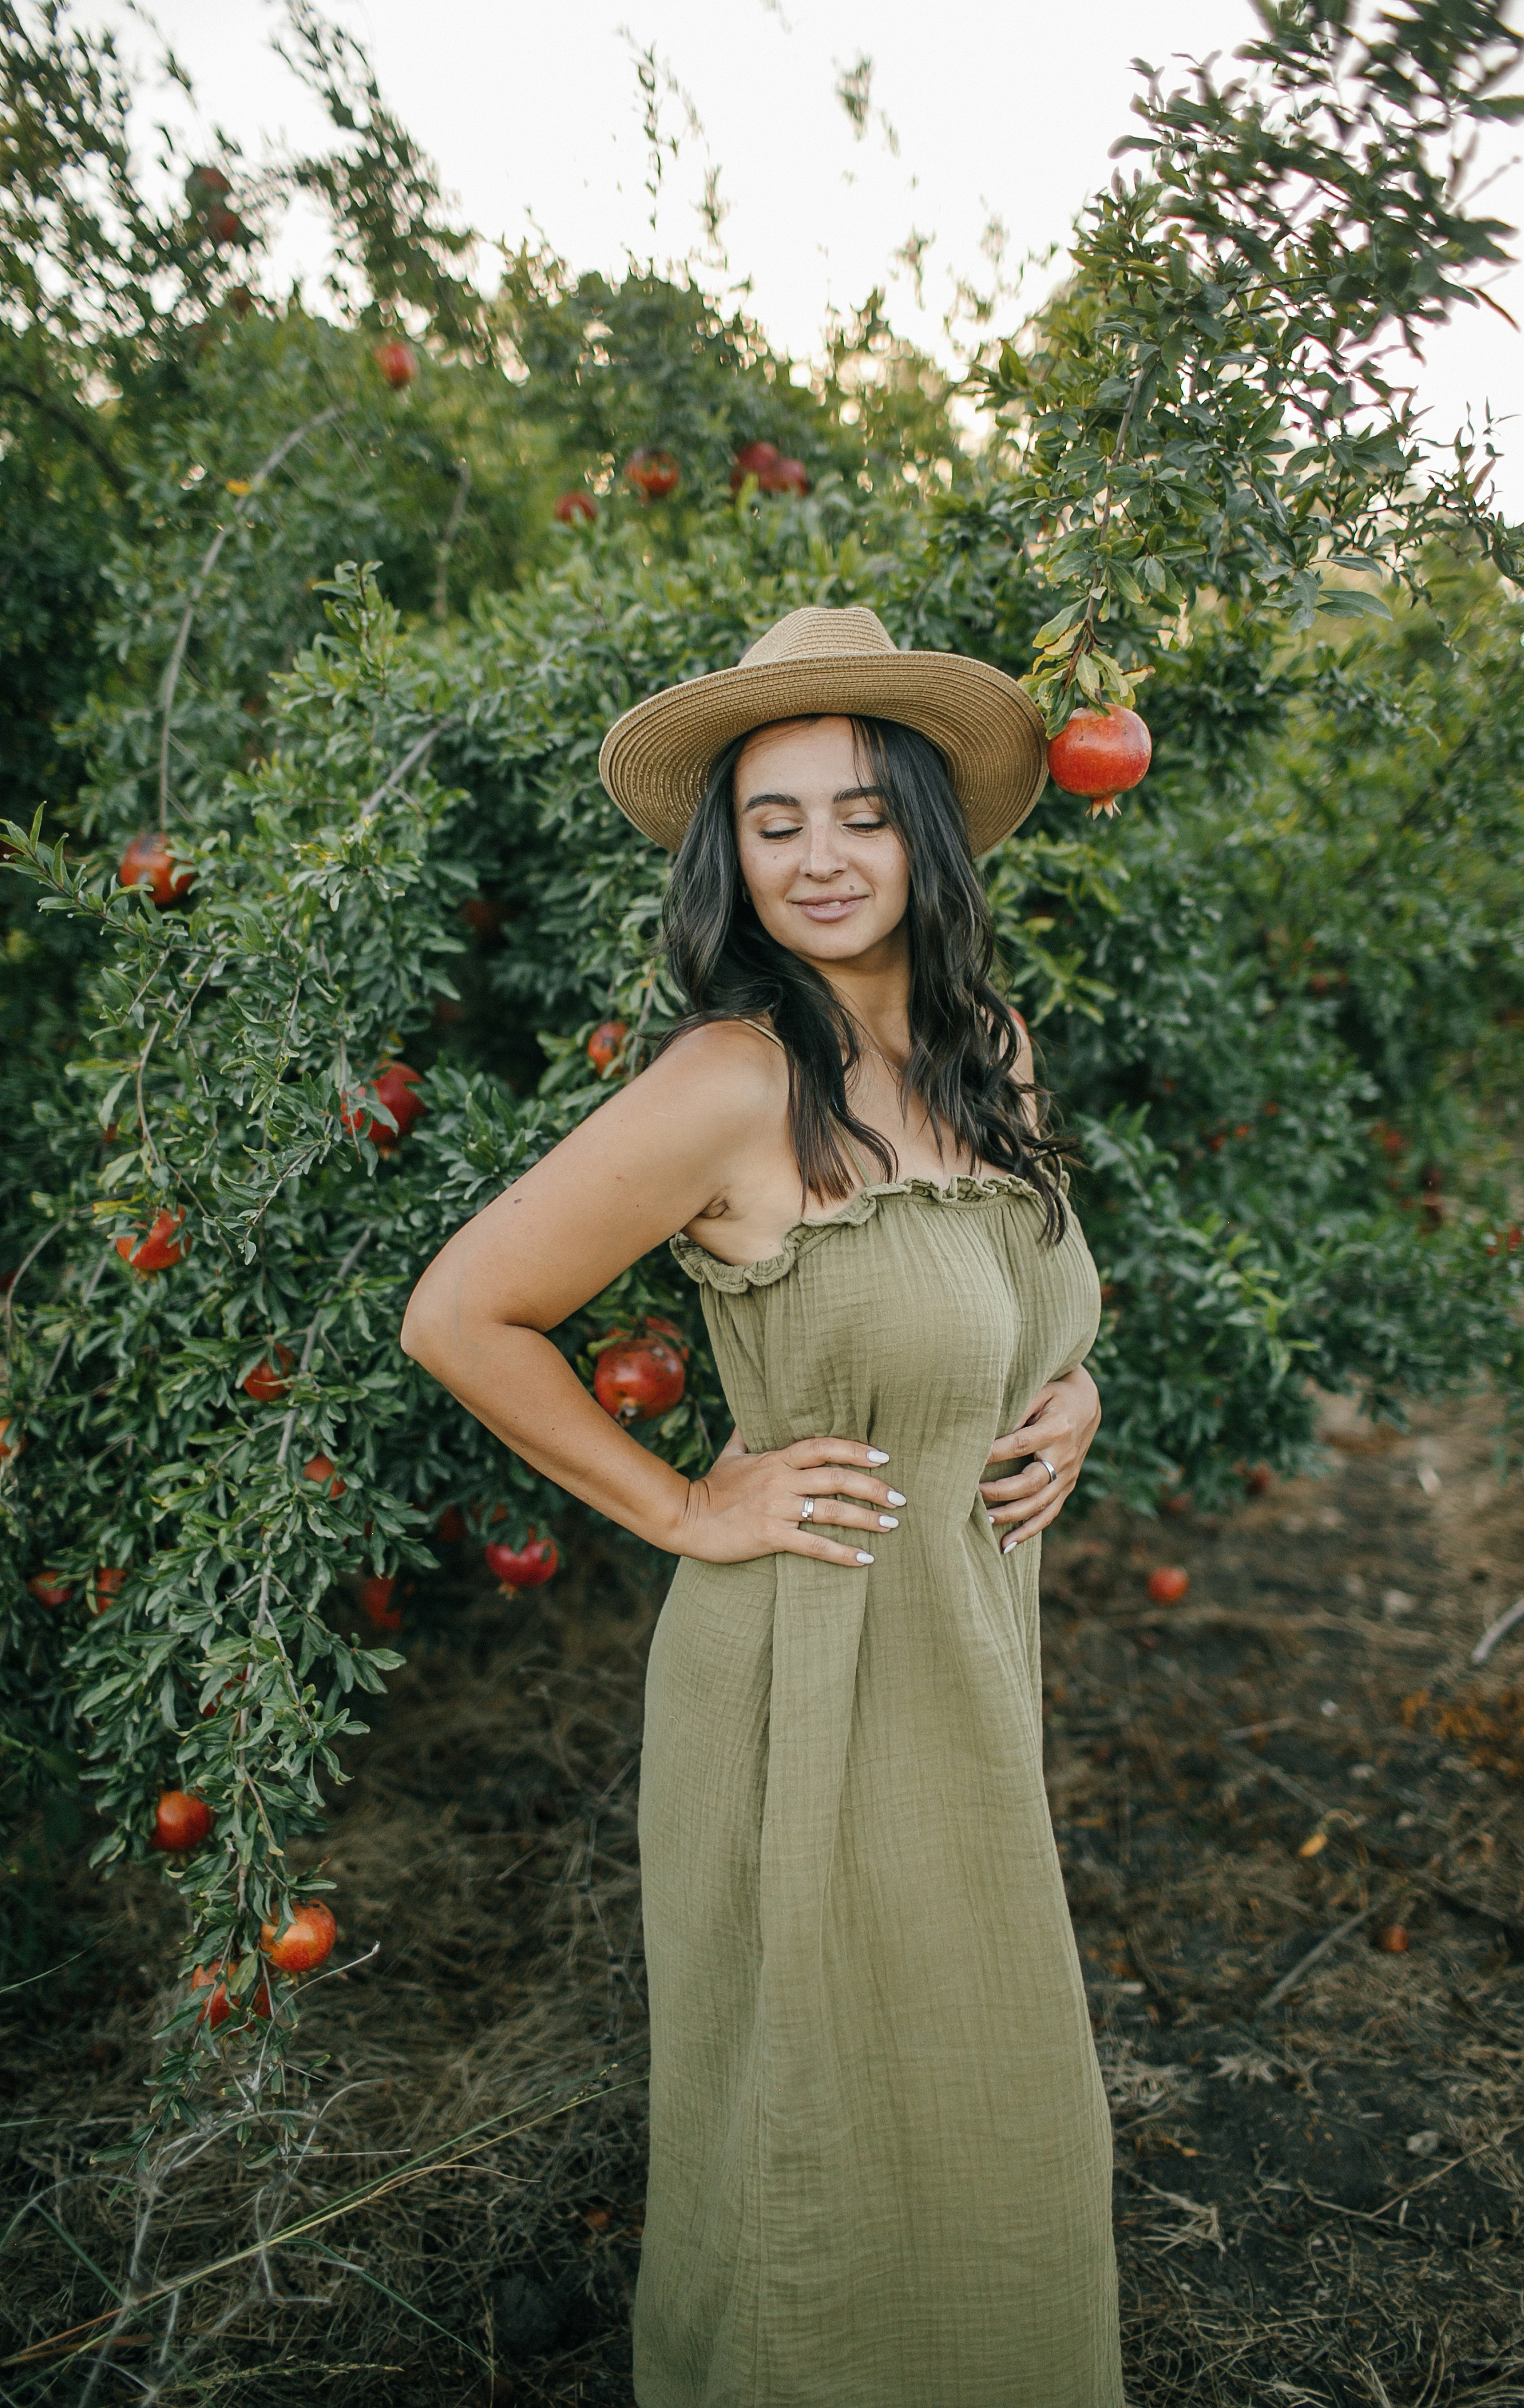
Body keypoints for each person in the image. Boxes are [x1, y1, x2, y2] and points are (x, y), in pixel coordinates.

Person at [401, 605, 1123, 2407]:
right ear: (732, 851)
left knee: (982, 2083)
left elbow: (1037, 1294)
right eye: (774, 819)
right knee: (822, 2107)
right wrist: (680, 1511)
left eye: (861, 813)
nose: (817, 857)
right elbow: (460, 1316)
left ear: (927, 837)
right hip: (812, 1659)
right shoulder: (734, 1082)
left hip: (964, 1649)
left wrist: (1072, 1393)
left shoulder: (990, 1051)